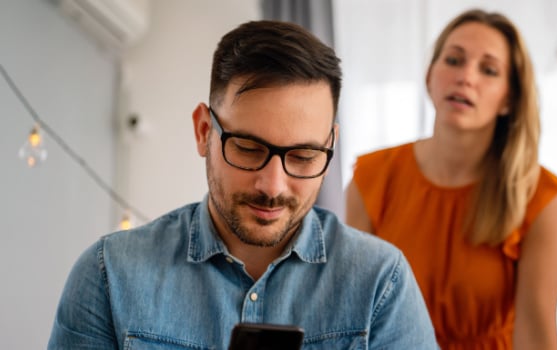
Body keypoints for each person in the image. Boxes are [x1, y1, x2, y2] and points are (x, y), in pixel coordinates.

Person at [49, 20, 437, 350]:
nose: (272, 185)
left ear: (330, 146)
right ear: (204, 131)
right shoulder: (110, 275)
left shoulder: (380, 284)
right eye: (249, 149)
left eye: (303, 156)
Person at [346, 9, 557, 350]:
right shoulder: (373, 178)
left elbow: (536, 338)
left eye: (489, 70)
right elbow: (353, 317)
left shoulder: (539, 197)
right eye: (453, 60)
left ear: (509, 99)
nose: (466, 77)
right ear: (430, 76)